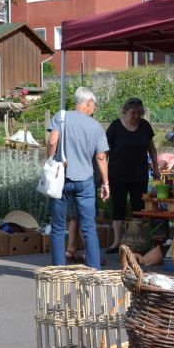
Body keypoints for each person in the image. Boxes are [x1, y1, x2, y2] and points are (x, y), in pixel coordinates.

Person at [46, 86, 110, 269]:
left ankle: (58, 270)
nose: (94, 109)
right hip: (85, 181)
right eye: (94, 105)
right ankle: (94, 269)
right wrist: (106, 183)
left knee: (58, 226)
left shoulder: (61, 117)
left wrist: (50, 160)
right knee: (89, 226)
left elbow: (52, 141)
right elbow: (101, 157)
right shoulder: (96, 126)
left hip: (61, 178)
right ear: (88, 103)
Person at [104, 98, 159, 251]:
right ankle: (117, 241)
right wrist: (103, 176)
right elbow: (106, 151)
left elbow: (152, 149)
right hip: (117, 174)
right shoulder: (115, 126)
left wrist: (156, 168)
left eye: (139, 113)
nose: (136, 116)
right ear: (125, 111)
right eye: (133, 113)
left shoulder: (145, 126)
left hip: (139, 174)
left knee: (138, 208)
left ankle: (137, 241)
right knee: (118, 207)